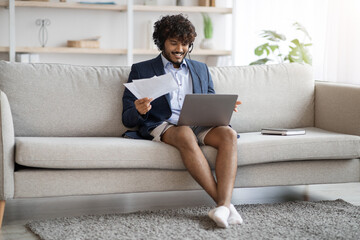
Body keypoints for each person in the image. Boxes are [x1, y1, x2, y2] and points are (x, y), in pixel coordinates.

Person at [122, 14, 242, 228]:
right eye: (174, 43)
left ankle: (223, 207)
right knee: (185, 132)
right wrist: (139, 110)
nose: (180, 49)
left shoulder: (201, 69)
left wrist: (221, 107)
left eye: (185, 44)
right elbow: (127, 117)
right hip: (166, 125)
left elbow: (209, 97)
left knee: (229, 134)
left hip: (199, 122)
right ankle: (225, 205)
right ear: (162, 42)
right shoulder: (142, 69)